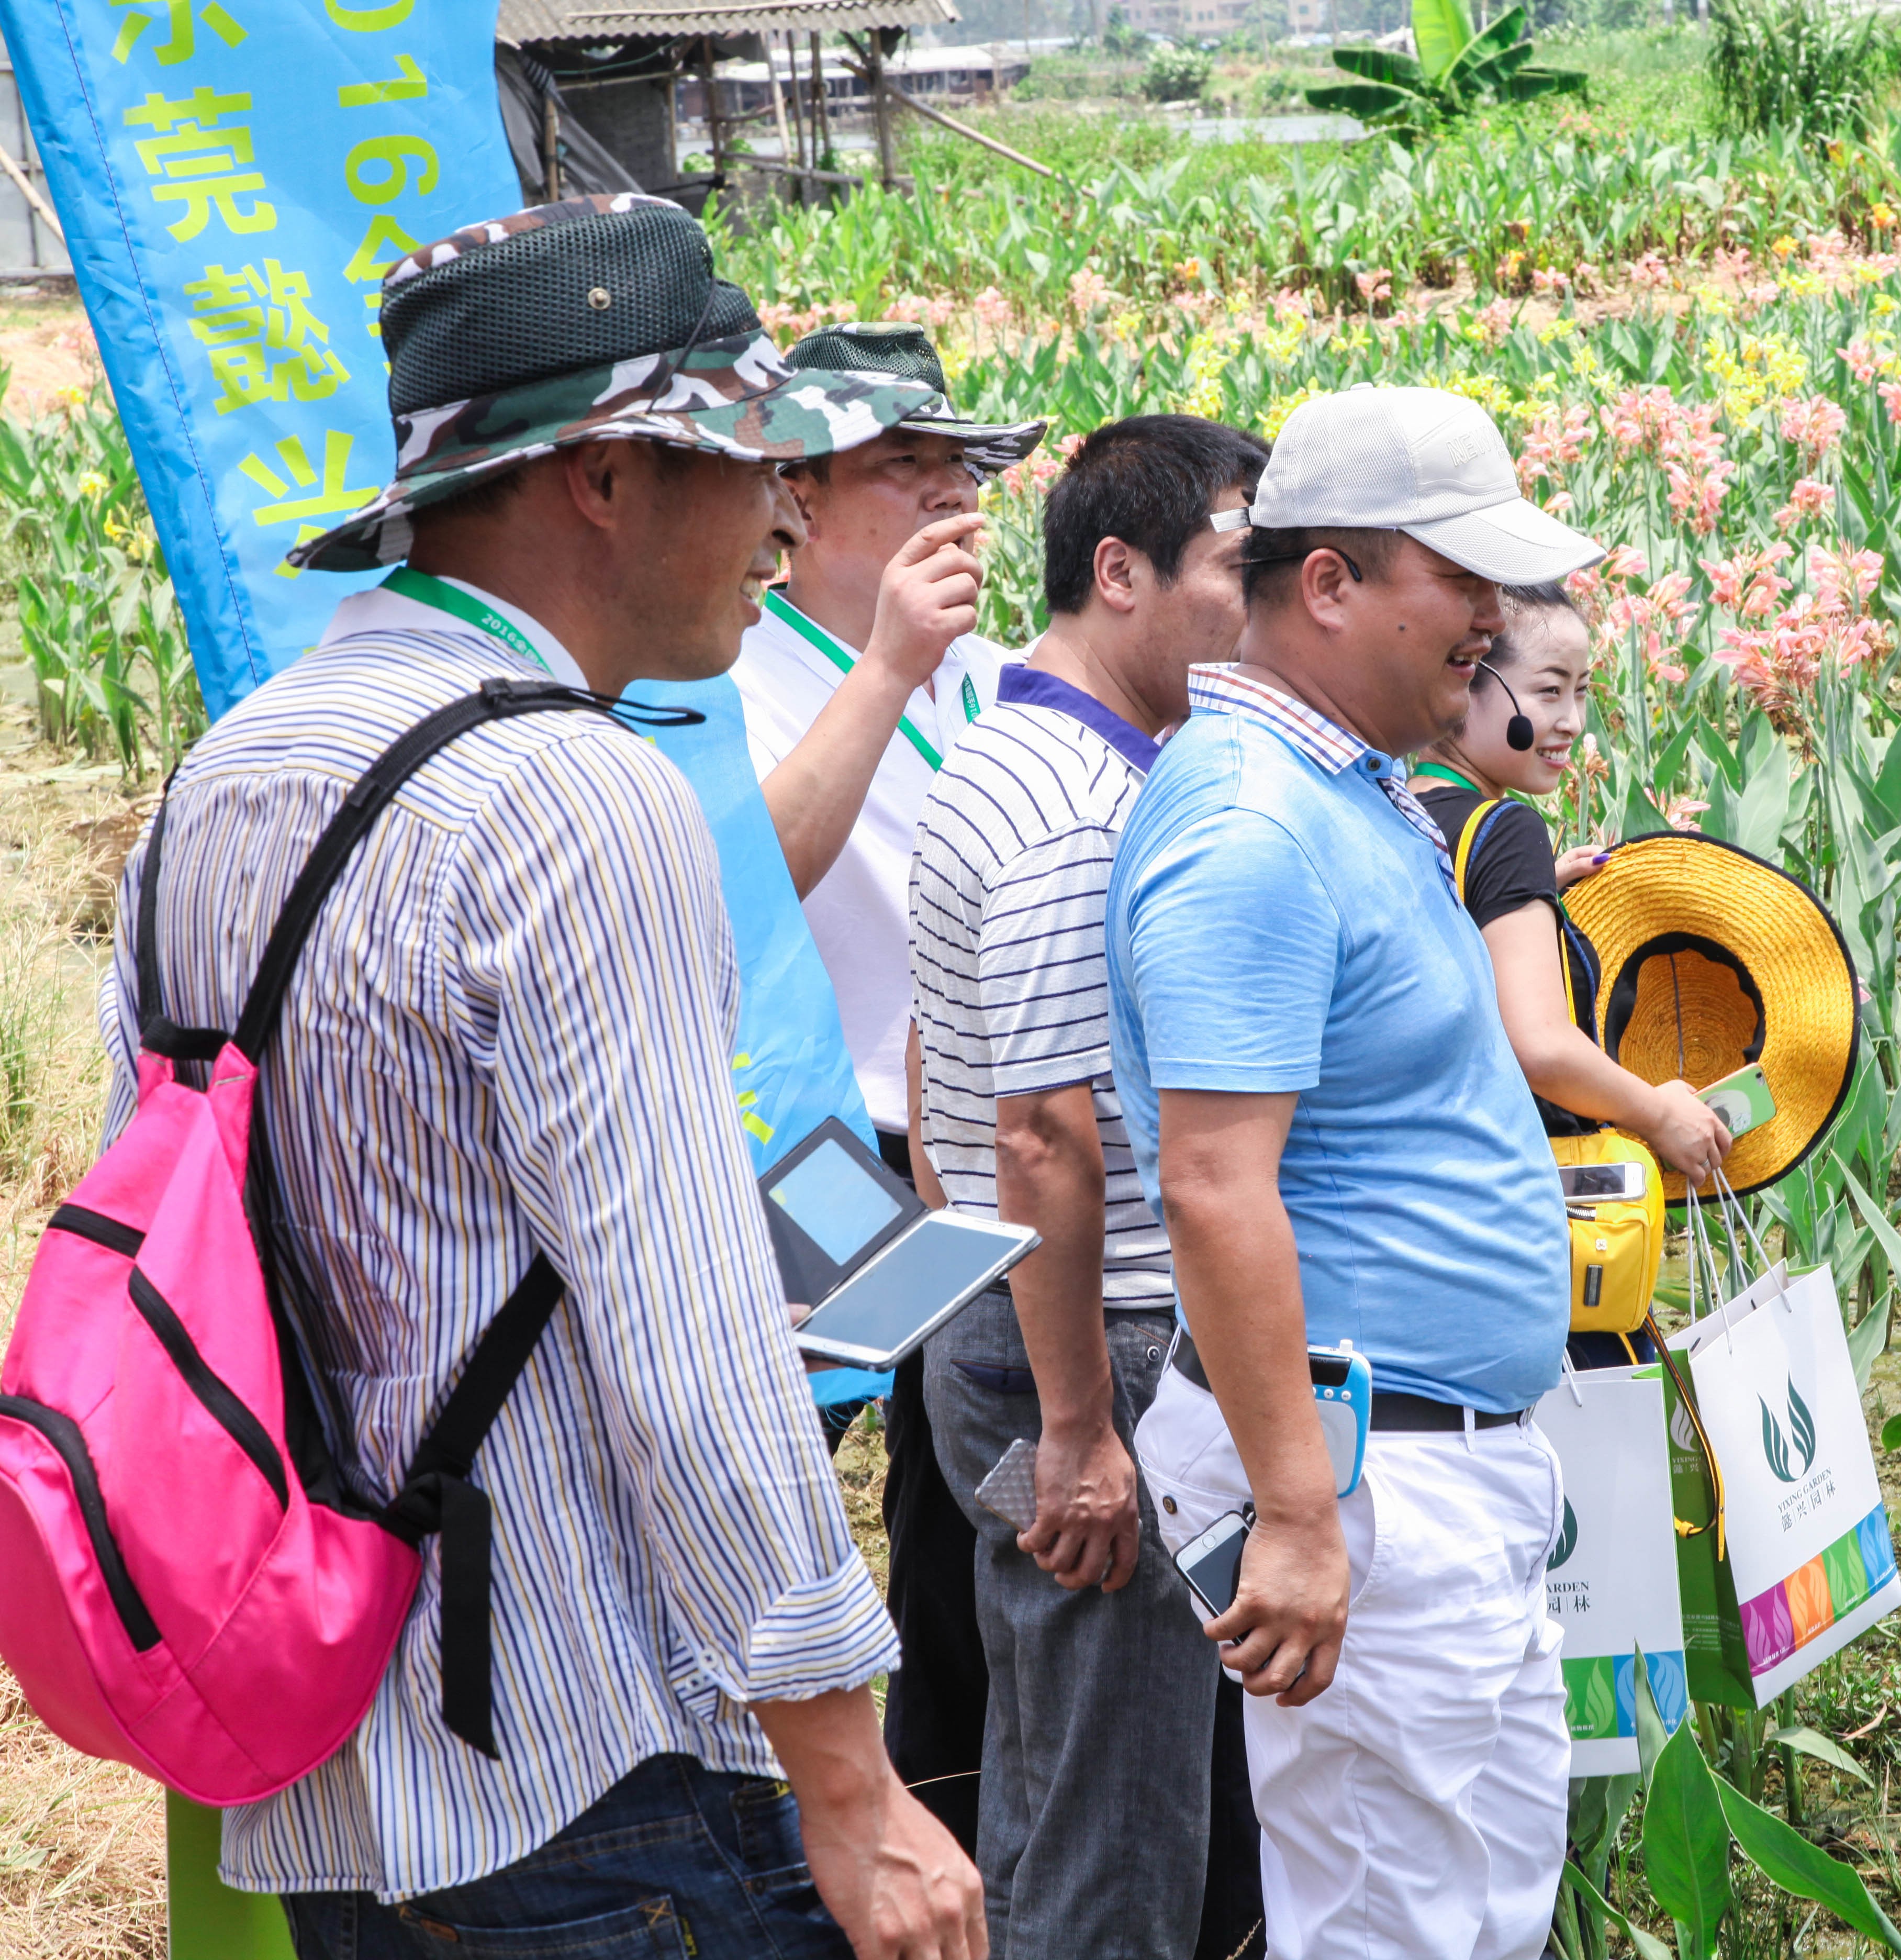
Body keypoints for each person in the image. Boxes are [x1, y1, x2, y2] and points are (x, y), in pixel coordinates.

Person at [115, 195, 984, 1959]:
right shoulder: (581, 797)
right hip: (602, 1773)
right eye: (747, 457)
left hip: (343, 1756)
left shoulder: (231, 765)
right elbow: (691, 1341)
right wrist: (846, 1773)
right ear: (601, 474)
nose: (781, 514)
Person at [1108, 385, 1600, 1960]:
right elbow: (1215, 1187)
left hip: (1441, 1461)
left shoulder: (1350, 786)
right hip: (1372, 1476)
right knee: (1389, 1921)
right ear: (1328, 584)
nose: (1495, 623)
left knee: (1474, 1900)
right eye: (1462, 584)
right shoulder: (1251, 825)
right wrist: (1303, 1518)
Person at [910, 415, 1270, 1960]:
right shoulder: (1075, 807)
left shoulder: (1010, 745)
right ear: (1117, 571)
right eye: (1235, 570)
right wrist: (1077, 1430)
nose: (1256, 615)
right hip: (1101, 1353)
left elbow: (941, 1056)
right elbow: (1044, 1127)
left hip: (1038, 1327)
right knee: (1111, 1835)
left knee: (1063, 1783)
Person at [728, 321, 1040, 1858]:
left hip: (990, 1151)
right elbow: (749, 879)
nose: (948, 496)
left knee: (961, 1512)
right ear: (791, 493)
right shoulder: (734, 671)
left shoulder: (989, 673)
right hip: (826, 1150)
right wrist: (891, 665)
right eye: (901, 466)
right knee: (799, 1495)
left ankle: (955, 1816)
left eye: (961, 466)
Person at [1408, 581, 1730, 1367]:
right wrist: (1658, 1113)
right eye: (1548, 691)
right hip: (1536, 1237)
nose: (1571, 723)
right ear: (1472, 677)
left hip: (1434, 1230)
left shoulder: (1403, 808)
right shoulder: (1508, 831)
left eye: (1582, 692)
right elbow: (1541, 1046)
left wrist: (1532, 889)